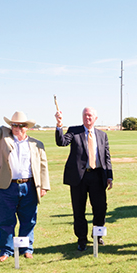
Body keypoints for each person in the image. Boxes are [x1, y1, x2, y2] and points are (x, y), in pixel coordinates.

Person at [0, 96, 50, 261]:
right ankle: (6, 251)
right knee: (6, 220)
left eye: (21, 125)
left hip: (29, 186)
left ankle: (26, 249)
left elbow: (43, 166)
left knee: (29, 219)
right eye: (14, 125)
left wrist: (44, 186)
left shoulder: (37, 144)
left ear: (27, 127)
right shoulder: (2, 136)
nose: (17, 128)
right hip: (7, 186)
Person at [55, 107, 113, 251]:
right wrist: (59, 125)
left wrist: (109, 176)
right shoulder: (74, 131)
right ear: (82, 117)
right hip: (79, 177)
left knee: (100, 208)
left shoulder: (102, 135)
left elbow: (106, 156)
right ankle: (82, 239)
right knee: (79, 210)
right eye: (85, 115)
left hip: (98, 176)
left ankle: (98, 236)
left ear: (95, 118)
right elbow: (61, 142)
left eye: (90, 116)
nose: (87, 118)